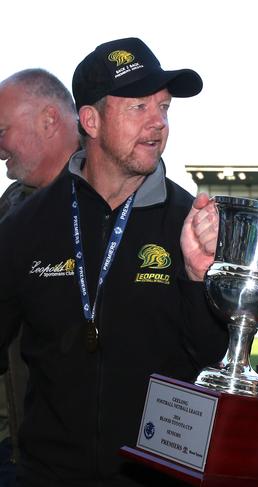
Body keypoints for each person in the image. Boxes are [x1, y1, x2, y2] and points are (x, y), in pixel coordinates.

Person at [0, 37, 228, 487]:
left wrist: (198, 277)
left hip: (156, 478)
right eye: (138, 107)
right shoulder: (24, 225)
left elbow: (208, 355)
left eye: (163, 107)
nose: (158, 123)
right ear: (91, 120)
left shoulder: (190, 222)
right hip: (43, 476)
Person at [0, 68, 80, 485]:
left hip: (78, 456)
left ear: (49, 120)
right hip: (16, 443)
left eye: (2, 130)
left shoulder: (121, 199)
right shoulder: (11, 206)